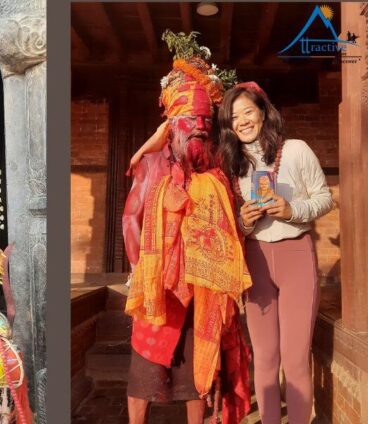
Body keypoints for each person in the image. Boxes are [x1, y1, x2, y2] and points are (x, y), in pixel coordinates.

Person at [122, 31, 252, 424]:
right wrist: (140, 268)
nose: (198, 127)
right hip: (157, 288)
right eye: (189, 121)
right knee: (144, 370)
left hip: (202, 288)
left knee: (198, 374)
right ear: (172, 124)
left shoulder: (217, 169)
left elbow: (231, 221)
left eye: (204, 121)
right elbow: (131, 218)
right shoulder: (151, 164)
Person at [218, 82, 333, 424]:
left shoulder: (296, 150)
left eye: (248, 112)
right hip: (255, 261)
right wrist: (244, 220)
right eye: (234, 117)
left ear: (263, 112)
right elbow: (230, 224)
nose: (242, 121)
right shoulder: (232, 165)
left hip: (296, 256)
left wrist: (291, 210)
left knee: (295, 359)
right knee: (266, 358)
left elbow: (324, 198)